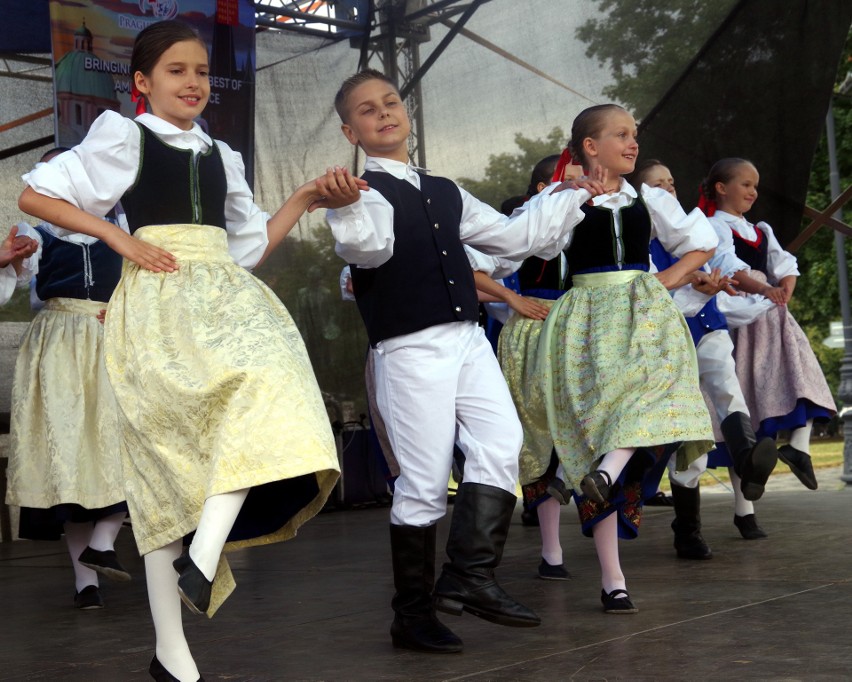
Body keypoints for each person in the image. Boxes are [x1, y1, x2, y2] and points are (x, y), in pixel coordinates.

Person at [18, 20, 355, 682]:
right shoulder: (123, 136)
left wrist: (306, 197)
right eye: (176, 70)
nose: (193, 81)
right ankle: (172, 653)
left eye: (201, 70)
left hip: (223, 295)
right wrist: (117, 240)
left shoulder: (221, 155)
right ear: (143, 83)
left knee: (270, 394)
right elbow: (36, 194)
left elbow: (248, 247)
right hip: (158, 299)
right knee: (163, 469)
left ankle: (203, 554)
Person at [325, 69, 593, 655]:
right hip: (409, 348)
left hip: (468, 340)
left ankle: (470, 574)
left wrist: (569, 193)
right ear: (352, 130)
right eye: (368, 111)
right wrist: (348, 206)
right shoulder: (357, 195)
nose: (385, 114)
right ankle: (412, 615)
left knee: (500, 443)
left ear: (406, 111)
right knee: (422, 483)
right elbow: (368, 250)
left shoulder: (444, 189)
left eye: (391, 102)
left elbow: (511, 238)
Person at [521, 105, 717, 614]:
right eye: (621, 135)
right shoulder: (562, 199)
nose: (633, 144)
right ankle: (612, 578)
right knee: (599, 432)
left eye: (634, 135)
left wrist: (662, 281)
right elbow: (521, 244)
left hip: (644, 313)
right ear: (590, 146)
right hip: (585, 320)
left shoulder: (648, 197)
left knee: (661, 398)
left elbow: (701, 243)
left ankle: (609, 470)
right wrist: (558, 198)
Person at [5, 148, 134, 612]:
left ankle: (104, 540)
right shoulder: (33, 231)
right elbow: (14, 287)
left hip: (112, 341)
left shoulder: (124, 228)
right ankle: (86, 584)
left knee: (129, 446)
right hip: (58, 347)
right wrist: (11, 260)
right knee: (69, 464)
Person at [633, 159, 779, 558]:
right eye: (658, 186)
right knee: (692, 430)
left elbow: (726, 266)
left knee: (729, 390)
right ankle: (687, 530)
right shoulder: (637, 243)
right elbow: (659, 297)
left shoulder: (697, 231)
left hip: (709, 326)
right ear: (644, 198)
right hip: (668, 340)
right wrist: (700, 289)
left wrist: (749, 288)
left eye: (672, 182)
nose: (669, 190)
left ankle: (749, 460)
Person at [698, 157, 835, 537]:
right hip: (740, 318)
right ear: (722, 188)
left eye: (755, 185)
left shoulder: (759, 228)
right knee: (745, 411)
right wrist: (765, 288)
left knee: (799, 377)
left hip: (771, 316)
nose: (753, 192)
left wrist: (786, 282)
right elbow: (729, 267)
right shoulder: (710, 226)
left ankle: (800, 447)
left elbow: (782, 260)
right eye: (745, 184)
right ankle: (745, 511)